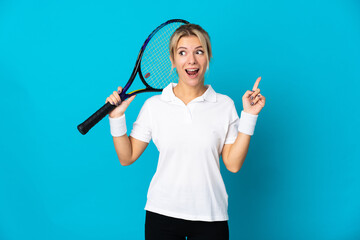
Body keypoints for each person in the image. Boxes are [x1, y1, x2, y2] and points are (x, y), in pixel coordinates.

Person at [105, 23, 266, 240]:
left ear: (207, 57)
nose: (191, 60)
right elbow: (127, 157)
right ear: (173, 60)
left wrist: (249, 116)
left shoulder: (224, 105)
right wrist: (116, 117)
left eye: (199, 52)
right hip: (162, 214)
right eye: (183, 53)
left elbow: (233, 164)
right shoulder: (155, 105)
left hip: (211, 216)